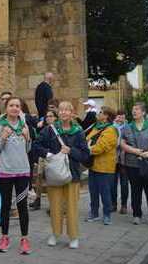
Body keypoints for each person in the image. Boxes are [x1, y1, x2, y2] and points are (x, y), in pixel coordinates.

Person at [33, 101, 90, 249]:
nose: (64, 112)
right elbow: (36, 145)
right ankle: (55, 233)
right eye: (62, 110)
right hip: (54, 175)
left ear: (72, 113)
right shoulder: (50, 129)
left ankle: (73, 236)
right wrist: (49, 154)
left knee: (71, 208)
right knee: (55, 206)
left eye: (67, 110)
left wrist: (71, 151)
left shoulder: (78, 132)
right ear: (59, 112)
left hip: (73, 175)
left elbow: (85, 155)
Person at [0, 97, 32, 255]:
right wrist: (3, 137)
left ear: (20, 109)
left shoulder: (24, 126)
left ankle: (25, 239)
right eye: (11, 105)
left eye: (17, 106)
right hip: (4, 172)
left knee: (22, 206)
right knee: (6, 206)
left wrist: (28, 138)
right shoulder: (0, 126)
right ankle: (4, 237)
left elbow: (28, 149)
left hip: (22, 172)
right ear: (6, 108)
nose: (15, 108)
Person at [121, 102, 148, 225]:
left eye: (137, 109)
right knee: (135, 190)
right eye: (133, 109)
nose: (134, 111)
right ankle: (137, 214)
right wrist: (135, 151)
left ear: (143, 112)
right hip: (132, 164)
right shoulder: (127, 127)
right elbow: (122, 144)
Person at [86, 106, 118, 225]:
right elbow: (87, 139)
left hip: (105, 167)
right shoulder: (96, 127)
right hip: (93, 165)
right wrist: (87, 147)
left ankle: (106, 215)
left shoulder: (111, 130)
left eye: (100, 112)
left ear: (106, 116)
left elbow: (102, 147)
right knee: (93, 191)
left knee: (105, 193)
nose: (97, 113)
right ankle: (94, 213)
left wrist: (87, 150)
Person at [31, 110, 59, 212]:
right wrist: (45, 152)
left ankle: (53, 204)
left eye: (51, 116)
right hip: (44, 156)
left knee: (51, 180)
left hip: (56, 158)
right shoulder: (45, 129)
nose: (48, 118)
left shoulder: (60, 129)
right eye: (47, 116)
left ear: (56, 117)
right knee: (39, 178)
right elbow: (37, 143)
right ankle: (37, 200)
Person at [111, 110, 130, 214]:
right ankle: (113, 204)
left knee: (124, 183)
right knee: (112, 183)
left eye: (122, 117)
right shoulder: (111, 127)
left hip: (124, 159)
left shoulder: (128, 127)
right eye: (119, 117)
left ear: (125, 118)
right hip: (113, 159)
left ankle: (124, 205)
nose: (120, 119)